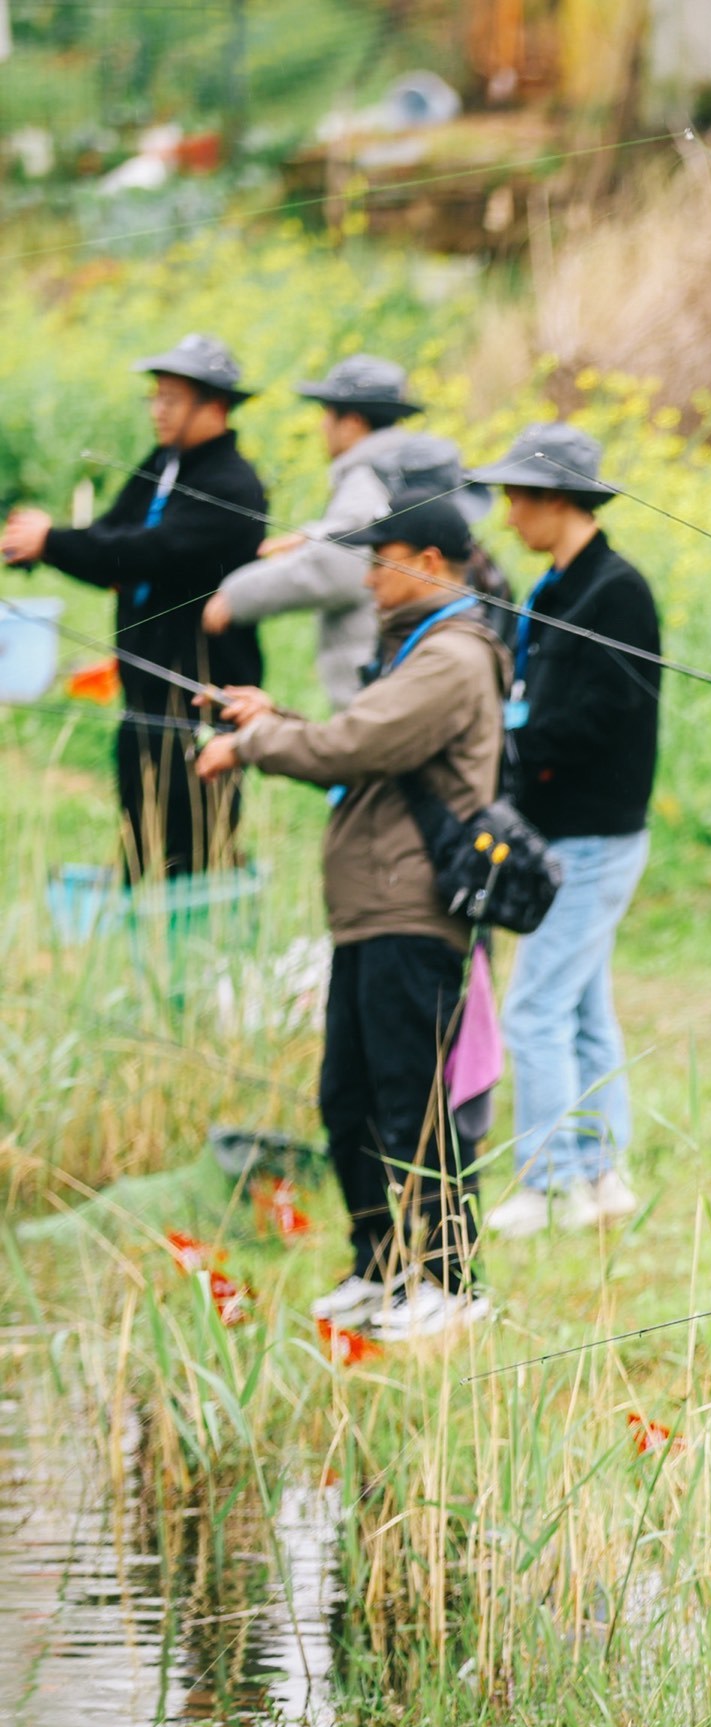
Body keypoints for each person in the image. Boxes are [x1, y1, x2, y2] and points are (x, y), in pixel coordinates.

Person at [196, 491, 508, 1342]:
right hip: (371, 910)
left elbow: (355, 746)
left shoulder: (452, 657)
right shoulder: (415, 651)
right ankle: (381, 1267)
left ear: (431, 564)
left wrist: (255, 744)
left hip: (413, 912)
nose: (367, 575)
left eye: (381, 558)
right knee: (349, 1099)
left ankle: (452, 1279)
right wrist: (275, 719)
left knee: (413, 1102)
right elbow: (359, 740)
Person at [467, 422, 663, 1237]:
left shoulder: (616, 590)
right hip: (557, 829)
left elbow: (600, 718)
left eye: (517, 498)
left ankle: (551, 1187)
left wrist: (506, 746)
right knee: (580, 1004)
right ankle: (601, 1173)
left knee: (534, 1011)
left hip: (593, 832)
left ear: (556, 501)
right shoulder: (555, 588)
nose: (508, 516)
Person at [2, 334, 267, 880]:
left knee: (191, 827)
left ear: (214, 406)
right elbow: (112, 542)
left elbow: (149, 551)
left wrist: (54, 540)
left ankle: (189, 927)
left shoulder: (233, 486)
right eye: (156, 396)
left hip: (199, 689)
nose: (158, 410)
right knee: (137, 810)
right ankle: (136, 904)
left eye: (172, 398)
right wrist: (55, 545)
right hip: (145, 678)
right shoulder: (164, 464)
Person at [204, 355, 475, 710]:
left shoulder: (367, 478)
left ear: (352, 423)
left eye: (327, 416)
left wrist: (238, 596)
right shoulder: (398, 469)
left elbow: (338, 567)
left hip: (370, 674)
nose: (322, 428)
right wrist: (313, 534)